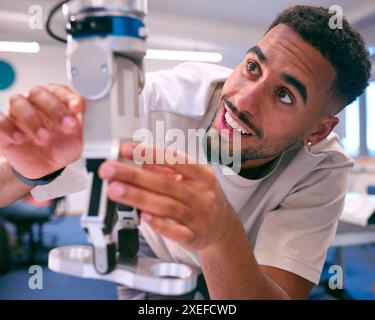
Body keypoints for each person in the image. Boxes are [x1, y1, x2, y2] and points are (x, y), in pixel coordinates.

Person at [0, 5, 372, 299]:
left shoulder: (324, 168)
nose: (242, 101)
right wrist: (29, 169)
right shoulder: (166, 100)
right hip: (153, 252)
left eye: (284, 95)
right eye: (253, 67)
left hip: (247, 269)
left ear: (317, 129)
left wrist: (220, 234)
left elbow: (276, 293)